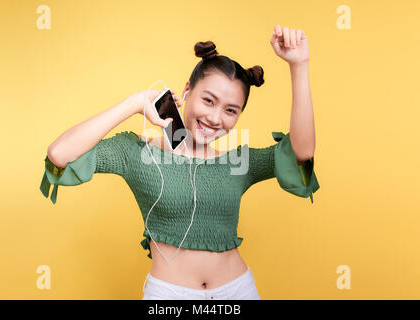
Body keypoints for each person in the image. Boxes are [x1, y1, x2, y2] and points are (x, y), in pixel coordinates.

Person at [39, 25, 319, 300]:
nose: (215, 118)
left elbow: (301, 151)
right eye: (208, 100)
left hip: (238, 290)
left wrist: (299, 65)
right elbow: (60, 154)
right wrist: (134, 103)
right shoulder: (136, 152)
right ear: (187, 91)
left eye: (230, 110)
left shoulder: (239, 162)